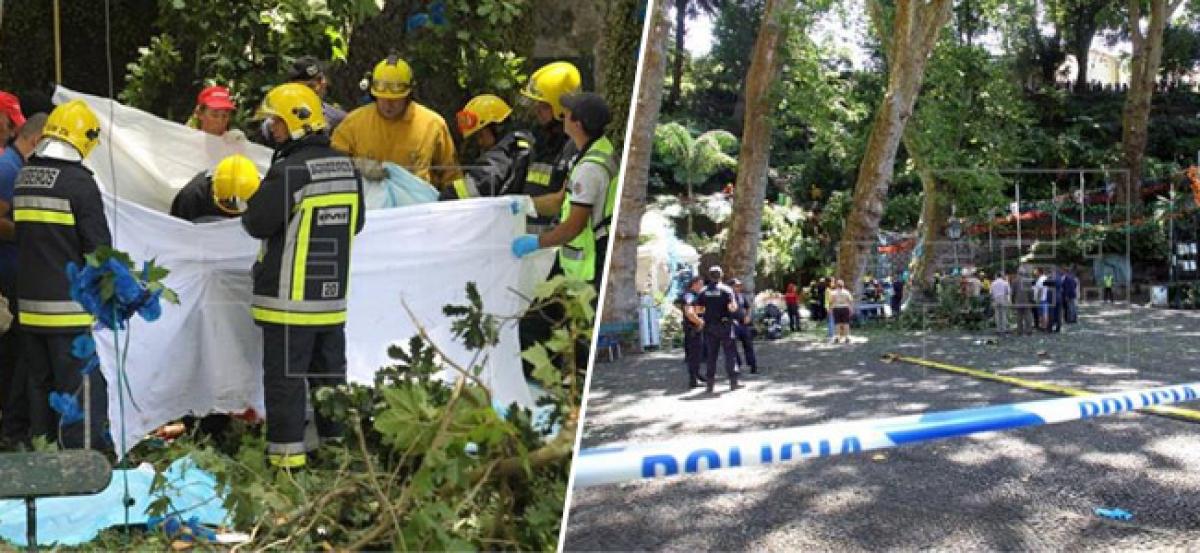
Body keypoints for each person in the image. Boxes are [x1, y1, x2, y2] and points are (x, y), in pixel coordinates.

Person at [242, 83, 365, 469]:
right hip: (330, 304)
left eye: (276, 123)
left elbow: (256, 222)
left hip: (288, 302)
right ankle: (338, 462)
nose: (272, 131)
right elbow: (356, 223)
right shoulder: (347, 167)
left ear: (295, 124)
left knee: (286, 386)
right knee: (330, 386)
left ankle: (287, 471)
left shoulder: (290, 171)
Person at [15, 100, 111, 451]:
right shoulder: (79, 184)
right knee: (78, 394)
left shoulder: (25, 176)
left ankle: (43, 460)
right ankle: (80, 466)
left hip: (29, 309)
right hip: (68, 312)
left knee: (40, 390)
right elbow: (99, 250)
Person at [512, 93, 618, 285]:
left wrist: (537, 243)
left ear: (578, 124)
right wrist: (526, 204)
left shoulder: (589, 169)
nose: (563, 115)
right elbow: (559, 200)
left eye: (568, 113)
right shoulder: (593, 151)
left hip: (591, 263)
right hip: (582, 258)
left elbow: (573, 227)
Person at [332, 55, 460, 188]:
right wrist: (356, 165)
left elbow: (451, 174)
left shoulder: (432, 125)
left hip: (417, 203)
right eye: (382, 98)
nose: (388, 105)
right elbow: (331, 164)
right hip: (370, 204)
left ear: (408, 95)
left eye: (395, 99)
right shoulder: (354, 123)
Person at [0, 111, 45, 447]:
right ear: (35, 139)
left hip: (21, 270)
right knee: (19, 351)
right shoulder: (8, 170)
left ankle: (16, 425)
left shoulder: (18, 167)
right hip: (11, 271)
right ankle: (14, 426)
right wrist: (30, 234)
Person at [520, 61, 582, 234]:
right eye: (536, 104)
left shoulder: (574, 147)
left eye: (545, 105)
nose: (537, 110)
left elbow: (560, 202)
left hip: (554, 246)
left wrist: (521, 205)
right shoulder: (538, 141)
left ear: (562, 108)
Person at [440, 94, 534, 200]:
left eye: (481, 135)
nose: (480, 142)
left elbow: (479, 183)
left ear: (496, 128)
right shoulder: (522, 140)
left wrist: (446, 197)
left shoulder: (505, 152)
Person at [170, 154, 261, 222]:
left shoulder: (266, 196)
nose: (234, 206)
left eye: (240, 203)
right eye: (226, 203)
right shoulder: (190, 197)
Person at [697, 266, 739, 394]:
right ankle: (733, 382)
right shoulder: (727, 290)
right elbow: (732, 307)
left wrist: (709, 313)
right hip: (725, 325)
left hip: (710, 327)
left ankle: (710, 385)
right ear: (721, 275)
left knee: (711, 356)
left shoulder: (703, 291)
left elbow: (699, 310)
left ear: (709, 276)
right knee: (730, 354)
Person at [286, 56, 347, 133]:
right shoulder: (278, 121)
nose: (318, 87)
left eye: (320, 79)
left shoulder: (339, 119)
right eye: (310, 86)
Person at [678, 276, 706, 388]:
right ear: (694, 284)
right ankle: (693, 380)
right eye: (700, 284)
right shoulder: (689, 295)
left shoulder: (695, 295)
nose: (702, 286)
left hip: (696, 328)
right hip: (693, 329)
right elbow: (689, 313)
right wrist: (699, 322)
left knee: (698, 354)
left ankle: (697, 374)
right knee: (694, 355)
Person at [730, 278, 757, 375]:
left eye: (739, 286)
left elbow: (748, 307)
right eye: (736, 286)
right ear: (731, 287)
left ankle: (752, 365)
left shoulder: (741, 296)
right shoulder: (728, 297)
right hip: (732, 324)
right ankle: (737, 365)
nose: (738, 288)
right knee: (732, 346)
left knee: (748, 345)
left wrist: (748, 316)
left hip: (743, 323)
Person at [829, 279, 855, 344]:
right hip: (845, 308)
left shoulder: (833, 293)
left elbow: (831, 302)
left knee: (837, 323)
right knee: (846, 323)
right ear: (843, 285)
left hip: (836, 308)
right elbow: (850, 301)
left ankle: (837, 337)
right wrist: (851, 309)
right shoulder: (846, 292)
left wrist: (830, 309)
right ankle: (847, 337)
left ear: (836, 285)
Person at [1012, 266, 1034, 336]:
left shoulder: (1014, 281)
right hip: (1027, 301)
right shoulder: (1028, 281)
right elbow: (1031, 292)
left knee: (1019, 317)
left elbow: (1013, 292)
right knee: (1028, 316)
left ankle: (1020, 331)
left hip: (1018, 301)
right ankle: (1029, 330)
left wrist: (1013, 301)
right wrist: (1031, 300)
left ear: (1018, 272)